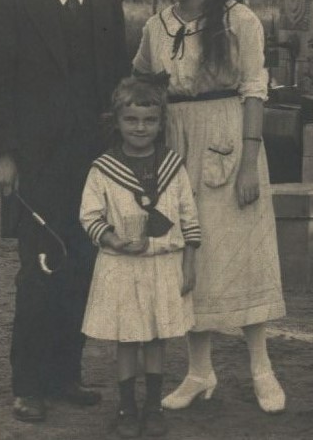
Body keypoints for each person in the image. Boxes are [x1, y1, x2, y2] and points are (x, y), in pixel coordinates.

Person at [0, 0, 130, 423]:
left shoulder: (107, 2)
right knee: (40, 272)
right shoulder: (13, 0)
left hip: (94, 166)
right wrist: (3, 154)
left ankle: (67, 375)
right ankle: (29, 384)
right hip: (36, 166)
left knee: (83, 270)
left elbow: (117, 87)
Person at [130, 0, 288, 414]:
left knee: (243, 252)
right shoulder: (156, 27)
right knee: (185, 254)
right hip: (176, 146)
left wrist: (248, 163)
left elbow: (255, 90)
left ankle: (262, 368)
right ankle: (199, 371)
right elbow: (140, 83)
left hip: (229, 142)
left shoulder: (239, 19)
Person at [80, 77, 200, 438]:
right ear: (117, 121)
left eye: (149, 120)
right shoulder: (104, 168)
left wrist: (189, 263)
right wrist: (115, 240)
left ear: (161, 123)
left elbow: (189, 218)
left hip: (162, 264)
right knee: (128, 337)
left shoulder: (172, 166)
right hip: (121, 265)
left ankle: (153, 406)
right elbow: (89, 215)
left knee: (156, 335)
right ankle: (126, 406)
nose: (140, 128)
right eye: (131, 120)